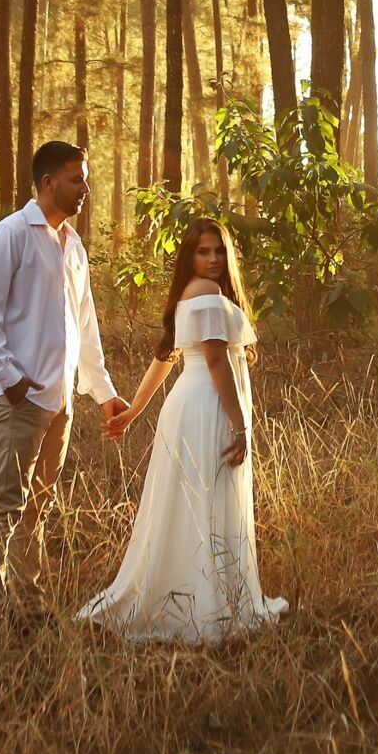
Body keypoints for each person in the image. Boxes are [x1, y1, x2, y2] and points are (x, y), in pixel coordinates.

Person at [77, 216, 288, 643]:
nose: (213, 259)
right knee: (207, 499)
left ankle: (195, 598)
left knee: (190, 503)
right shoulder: (206, 292)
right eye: (202, 251)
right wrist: (240, 426)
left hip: (189, 406)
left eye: (219, 250)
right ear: (189, 256)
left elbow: (164, 357)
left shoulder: (191, 293)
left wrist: (134, 411)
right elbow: (215, 360)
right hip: (208, 407)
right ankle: (208, 609)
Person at [0, 140, 130, 633]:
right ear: (48, 182)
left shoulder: (73, 246)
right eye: (77, 180)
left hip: (59, 402)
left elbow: (85, 326)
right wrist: (11, 381)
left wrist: (103, 393)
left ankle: (30, 607)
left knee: (37, 507)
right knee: (4, 508)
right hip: (18, 400)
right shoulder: (10, 236)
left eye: (86, 180)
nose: (85, 189)